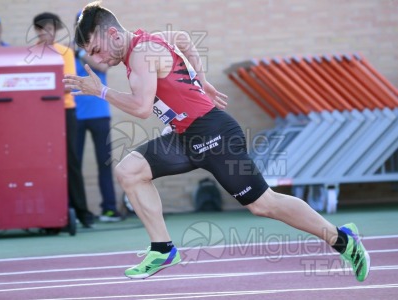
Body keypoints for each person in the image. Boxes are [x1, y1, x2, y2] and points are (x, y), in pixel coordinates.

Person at [64, 2, 370, 281]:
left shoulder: (142, 53)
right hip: (185, 136)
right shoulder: (146, 43)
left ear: (114, 34)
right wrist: (201, 80)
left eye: (95, 49)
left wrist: (101, 91)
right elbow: (183, 38)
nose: (96, 58)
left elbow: (143, 109)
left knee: (264, 204)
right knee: (129, 171)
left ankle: (342, 239)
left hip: (214, 134)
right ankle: (162, 248)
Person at [33, 12, 94, 228]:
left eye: (50, 28)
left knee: (71, 161)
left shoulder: (65, 52)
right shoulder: (31, 54)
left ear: (56, 30)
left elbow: (69, 84)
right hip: (38, 114)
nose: (46, 33)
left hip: (64, 111)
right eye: (41, 29)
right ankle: (47, 213)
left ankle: (83, 213)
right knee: (41, 162)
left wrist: (42, 87)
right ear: (37, 31)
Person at [73, 12, 121, 222]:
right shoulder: (69, 50)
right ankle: (76, 211)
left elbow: (103, 66)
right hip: (74, 114)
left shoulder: (97, 48)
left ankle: (109, 208)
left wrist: (82, 53)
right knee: (74, 164)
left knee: (105, 162)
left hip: (99, 113)